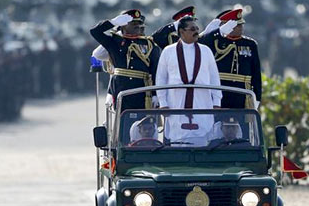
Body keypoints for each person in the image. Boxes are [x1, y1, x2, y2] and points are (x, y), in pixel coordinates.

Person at [155, 16, 222, 146]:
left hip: (202, 101)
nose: (196, 31)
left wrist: (217, 101)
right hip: (176, 101)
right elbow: (161, 78)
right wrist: (163, 102)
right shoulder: (168, 51)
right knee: (177, 138)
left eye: (197, 28)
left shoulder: (206, 50)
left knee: (203, 138)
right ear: (181, 32)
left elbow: (214, 78)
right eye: (192, 29)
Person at [90, 9, 161, 111]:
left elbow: (155, 71)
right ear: (123, 25)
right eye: (133, 23)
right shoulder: (114, 42)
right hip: (121, 88)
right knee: (121, 121)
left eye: (139, 23)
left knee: (144, 122)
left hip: (142, 90)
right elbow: (95, 32)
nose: (137, 26)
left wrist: (155, 94)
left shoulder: (149, 45)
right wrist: (113, 22)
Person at [200, 9, 262, 109]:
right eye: (237, 25)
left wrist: (257, 97)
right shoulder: (216, 41)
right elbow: (200, 43)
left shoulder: (250, 44)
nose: (241, 28)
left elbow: (256, 73)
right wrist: (218, 32)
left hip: (242, 93)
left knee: (243, 123)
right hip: (221, 91)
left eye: (241, 25)